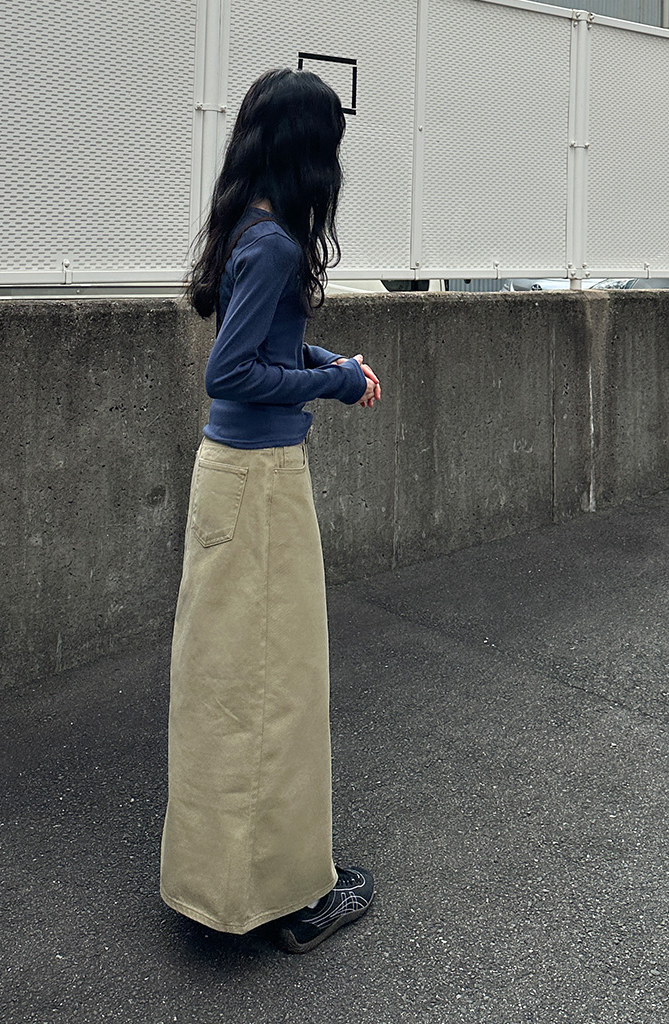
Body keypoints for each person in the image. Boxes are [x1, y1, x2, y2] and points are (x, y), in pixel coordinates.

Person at [160, 67, 381, 954]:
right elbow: (233, 371)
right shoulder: (280, 244)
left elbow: (262, 344)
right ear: (311, 152)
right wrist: (333, 382)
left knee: (225, 688)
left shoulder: (246, 225)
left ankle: (219, 885)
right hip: (260, 484)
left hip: (232, 475)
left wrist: (329, 361)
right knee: (277, 690)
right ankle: (290, 899)